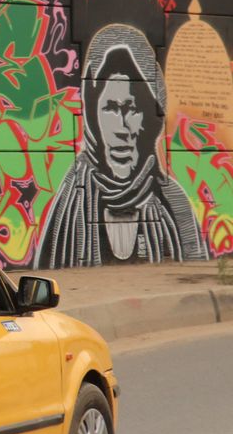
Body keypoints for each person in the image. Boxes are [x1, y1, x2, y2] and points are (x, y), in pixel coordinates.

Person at [38, 24, 206, 268]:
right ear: (93, 117)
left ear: (150, 120)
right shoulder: (70, 201)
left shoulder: (174, 203)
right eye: (111, 109)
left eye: (133, 109)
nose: (123, 127)